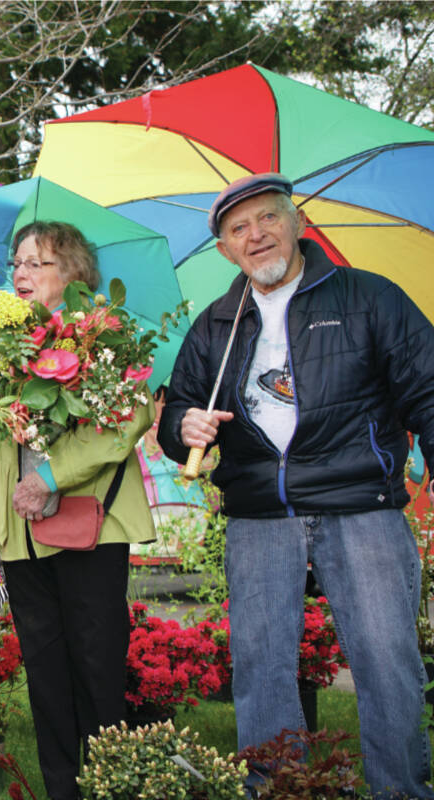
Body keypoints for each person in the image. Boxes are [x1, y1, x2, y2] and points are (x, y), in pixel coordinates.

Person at [158, 172, 434, 799]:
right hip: (259, 515)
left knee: (388, 663)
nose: (255, 236)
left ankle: (401, 791)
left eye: (267, 219)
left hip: (359, 503)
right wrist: (184, 423)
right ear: (226, 250)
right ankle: (282, 791)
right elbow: (177, 417)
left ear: (297, 224)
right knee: (261, 669)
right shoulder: (215, 324)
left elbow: (427, 388)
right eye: (238, 229)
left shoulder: (370, 298)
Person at [0, 220, 155, 800]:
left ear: (74, 273)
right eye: (18, 262)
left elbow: (128, 420)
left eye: (38, 262)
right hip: (23, 535)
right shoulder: (8, 346)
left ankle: (110, 784)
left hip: (92, 528)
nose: (22, 273)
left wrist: (52, 476)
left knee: (97, 664)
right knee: (46, 672)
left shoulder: (105, 333)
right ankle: (62, 788)